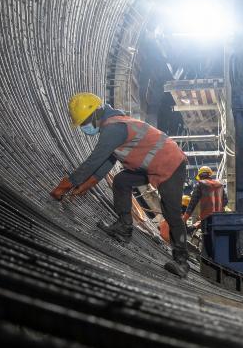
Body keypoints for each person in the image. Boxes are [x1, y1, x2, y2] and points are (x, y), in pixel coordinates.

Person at [50, 92, 191, 278]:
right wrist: (85, 186)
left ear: (96, 114)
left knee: (171, 213)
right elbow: (105, 164)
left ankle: (182, 261)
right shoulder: (113, 125)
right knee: (121, 181)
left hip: (171, 164)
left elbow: (93, 161)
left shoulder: (113, 128)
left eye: (85, 122)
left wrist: (64, 186)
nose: (84, 128)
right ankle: (124, 228)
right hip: (152, 166)